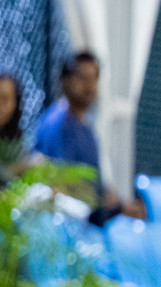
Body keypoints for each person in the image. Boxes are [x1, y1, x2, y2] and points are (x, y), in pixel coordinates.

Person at [34, 51, 145, 220]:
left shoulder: (85, 124)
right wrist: (116, 207)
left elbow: (92, 179)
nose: (90, 86)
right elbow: (63, 186)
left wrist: (117, 201)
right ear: (65, 81)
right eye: (83, 78)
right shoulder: (58, 124)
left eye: (94, 78)